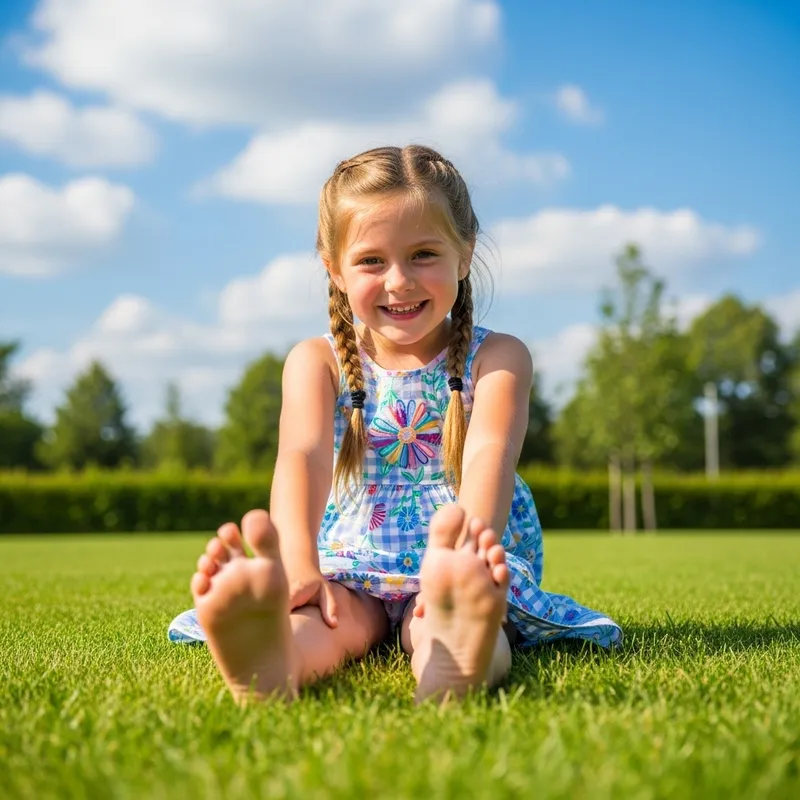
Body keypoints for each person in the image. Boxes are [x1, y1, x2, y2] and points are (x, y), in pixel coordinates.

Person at [168, 145, 622, 703]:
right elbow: (302, 456)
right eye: (371, 261)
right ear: (333, 268)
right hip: (352, 554)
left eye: (424, 254)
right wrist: (300, 564)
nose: (400, 280)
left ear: (464, 254)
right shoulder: (316, 361)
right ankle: (270, 658)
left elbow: (489, 456)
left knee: (444, 619)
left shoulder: (498, 357)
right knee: (330, 620)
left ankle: (456, 656)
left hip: (454, 556)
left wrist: (462, 557)